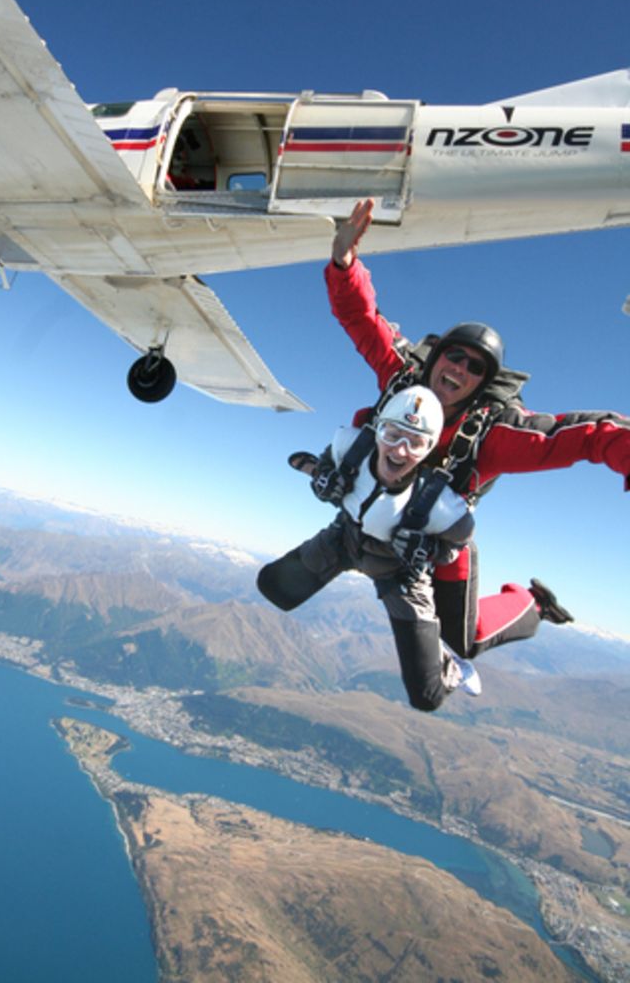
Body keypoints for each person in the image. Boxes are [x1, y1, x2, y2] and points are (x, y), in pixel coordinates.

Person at [319, 197, 630, 659]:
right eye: (455, 355)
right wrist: (344, 263)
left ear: (483, 385)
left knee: (462, 643)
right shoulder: (402, 379)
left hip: (443, 539)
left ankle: (531, 603)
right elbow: (361, 320)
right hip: (384, 516)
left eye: (476, 368)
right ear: (436, 358)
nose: (460, 369)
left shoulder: (494, 435)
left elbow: (588, 436)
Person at [258, 386, 567, 712]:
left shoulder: (440, 505)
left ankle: (451, 662)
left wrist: (428, 549)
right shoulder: (351, 447)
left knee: (427, 696)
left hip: (399, 572)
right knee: (273, 586)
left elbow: (458, 544)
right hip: (343, 539)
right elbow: (325, 460)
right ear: (377, 431)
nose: (400, 451)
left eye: (416, 443)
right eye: (392, 434)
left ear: (428, 450)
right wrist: (320, 474)